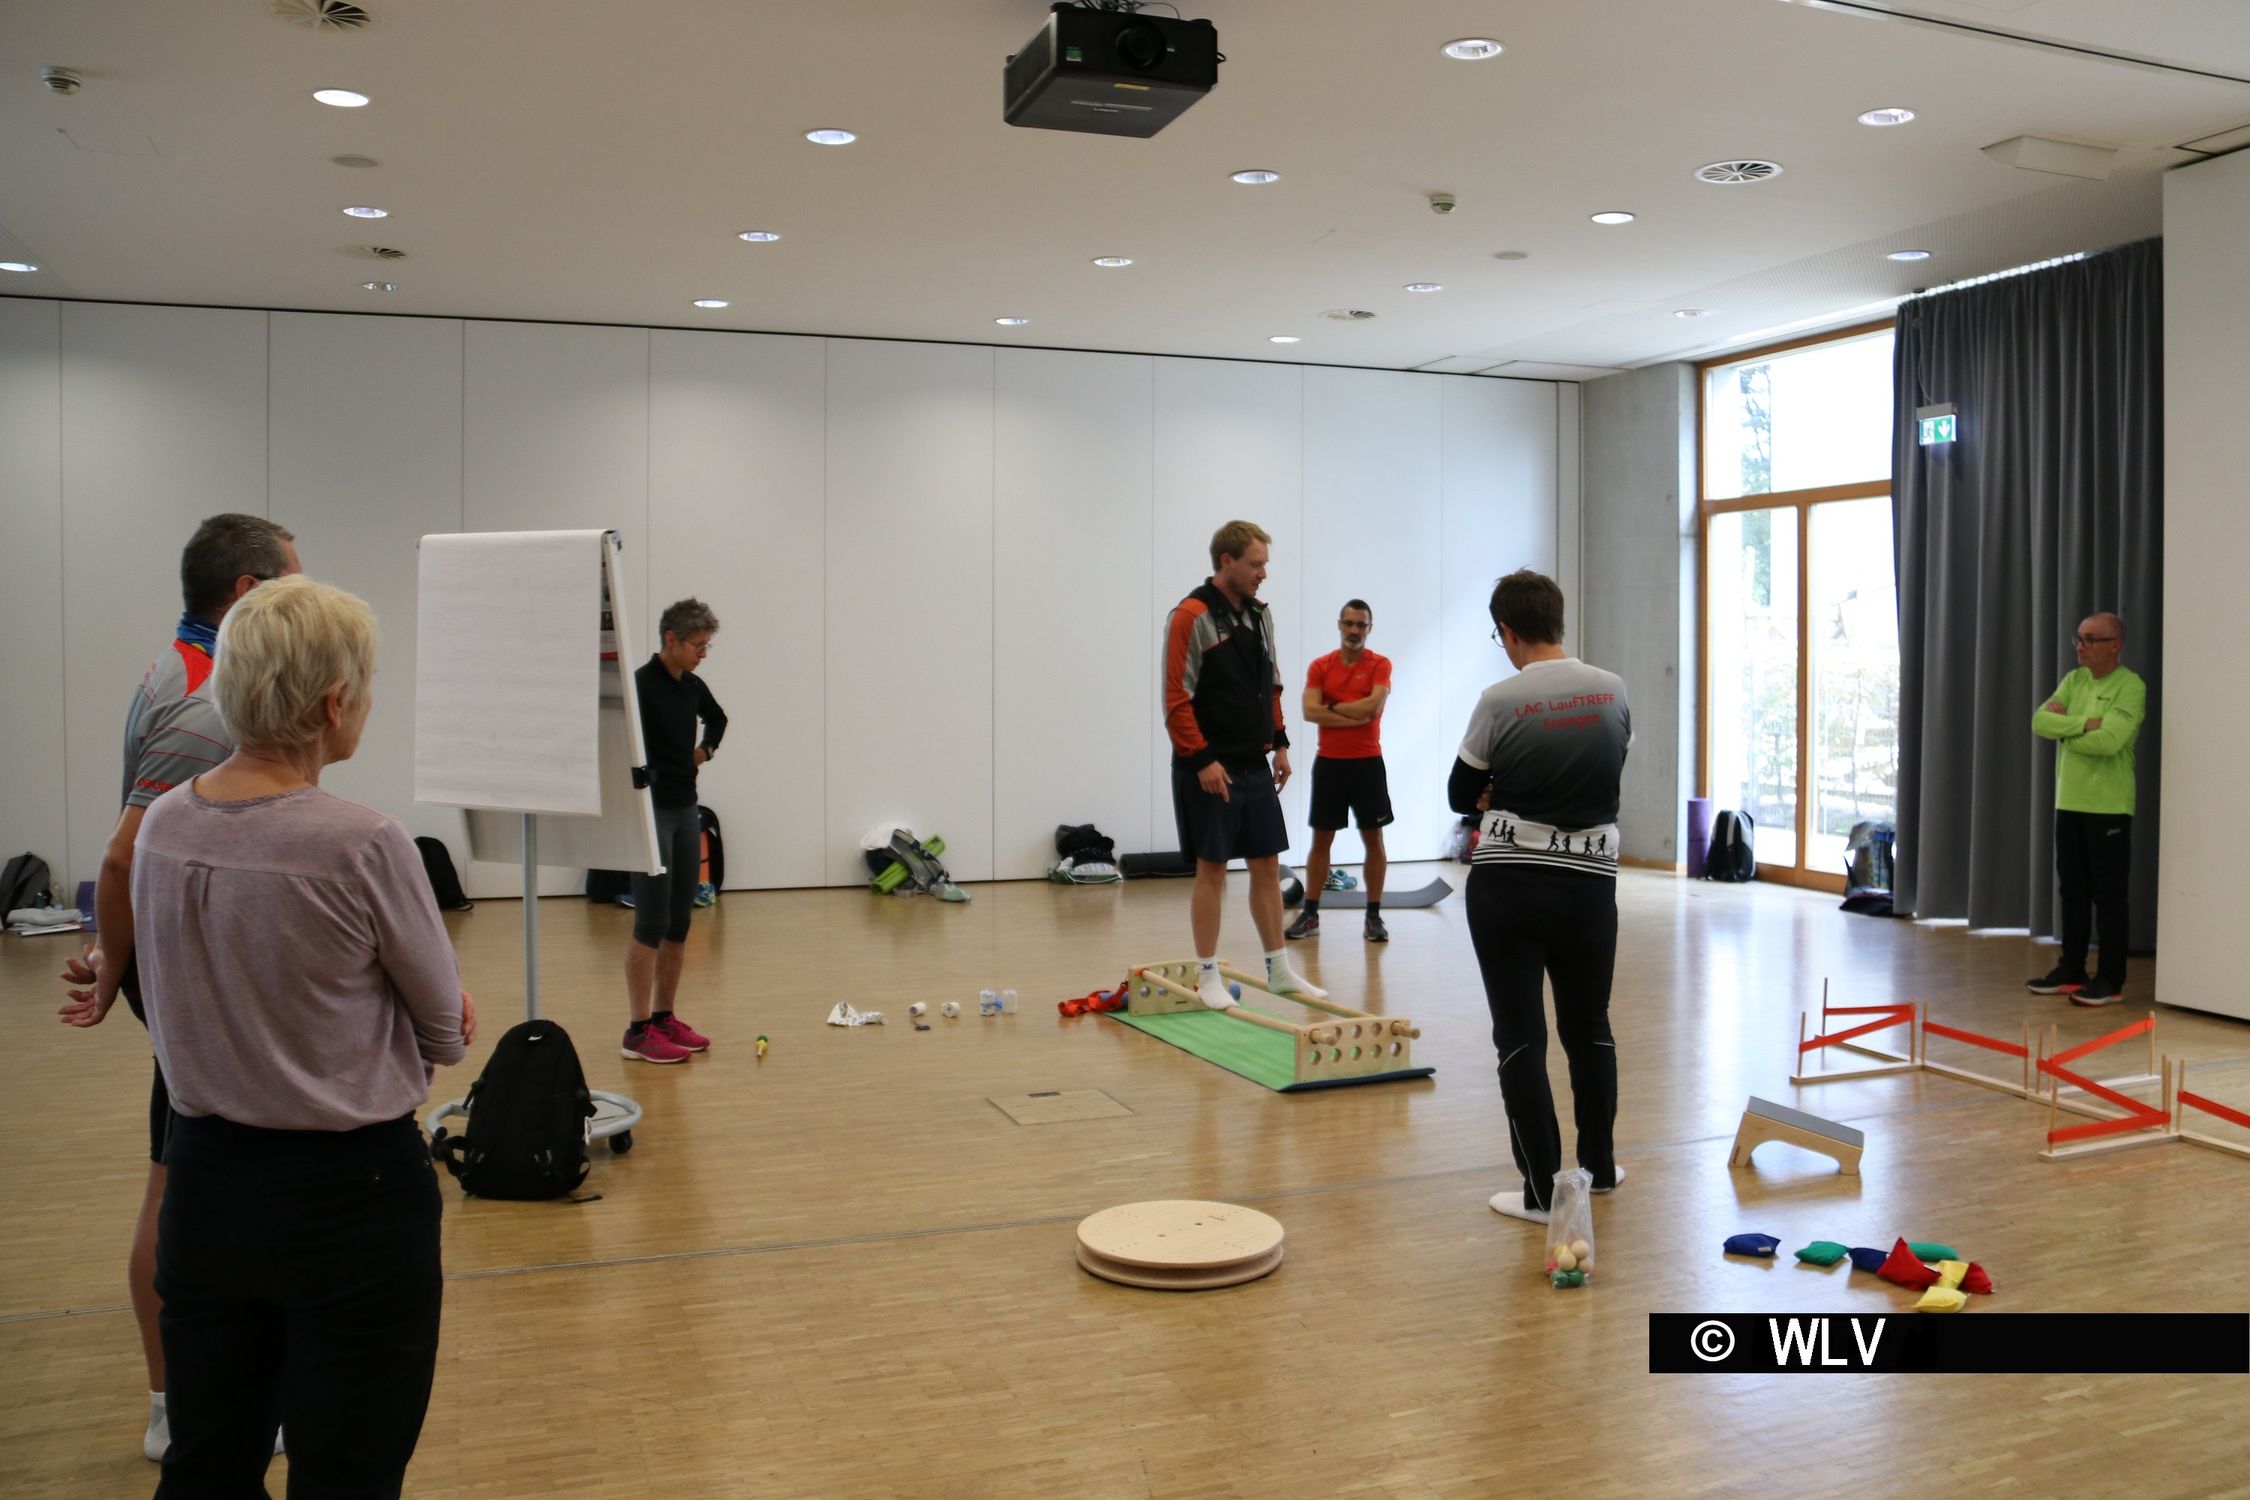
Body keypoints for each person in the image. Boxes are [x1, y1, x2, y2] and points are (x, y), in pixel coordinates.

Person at [110, 575, 473, 1495]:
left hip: (204, 1184)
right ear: (334, 702)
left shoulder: (161, 827)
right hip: (351, 1199)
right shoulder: (363, 842)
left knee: (208, 1462)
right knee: (348, 1471)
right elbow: (444, 1030)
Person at [56, 512, 301, 1464]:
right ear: (248, 591)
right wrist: (117, 964)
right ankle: (174, 1404)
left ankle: (204, 1392)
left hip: (186, 969)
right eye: (292, 579)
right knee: (180, 1180)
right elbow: (126, 854)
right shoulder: (204, 699)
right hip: (190, 978)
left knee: (197, 1175)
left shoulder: (183, 664)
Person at [1447, 570, 1631, 1225]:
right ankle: (1598, 1170)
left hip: (1509, 888)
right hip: (1591, 885)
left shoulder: (1500, 700)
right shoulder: (1613, 691)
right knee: (1590, 1028)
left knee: (1520, 1036)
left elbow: (1460, 795)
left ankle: (1541, 1193)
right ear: (1558, 620)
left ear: (1508, 631)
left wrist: (1499, 788)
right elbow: (1606, 770)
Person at [1163, 521, 1324, 1010]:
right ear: (1227, 561)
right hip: (1208, 767)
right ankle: (1208, 975)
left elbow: (1271, 684)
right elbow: (1176, 699)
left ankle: (1279, 970)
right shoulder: (1190, 616)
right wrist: (1202, 760)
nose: (1263, 574)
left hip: (1253, 764)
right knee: (1212, 870)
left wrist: (1280, 743)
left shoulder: (1259, 615)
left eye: (1265, 565)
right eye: (1256, 564)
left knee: (1266, 866)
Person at [622, 598, 728, 1063]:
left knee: (680, 920)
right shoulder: (639, 686)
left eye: (707, 646)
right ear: (671, 639)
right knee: (651, 923)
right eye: (698, 645)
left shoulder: (692, 685)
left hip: (686, 811)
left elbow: (718, 719)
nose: (703, 653)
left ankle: (664, 1016)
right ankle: (637, 1031)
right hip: (651, 814)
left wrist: (704, 752)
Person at [2028, 612, 2147, 1005]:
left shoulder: (2130, 686)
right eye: (2079, 638)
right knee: (2072, 891)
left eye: (2091, 639)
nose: (2081, 646)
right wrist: (2085, 724)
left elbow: (2110, 741)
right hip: (2070, 801)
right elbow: (2040, 721)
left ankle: (2110, 980)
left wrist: (2066, 732)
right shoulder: (2074, 680)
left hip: (2109, 806)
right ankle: (2072, 968)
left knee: (2109, 895)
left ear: (2115, 645)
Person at [1286, 598, 1394, 943]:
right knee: (1321, 841)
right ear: (1339, 624)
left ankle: (1373, 916)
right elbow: (1310, 711)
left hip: (1367, 764)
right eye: (1349, 623)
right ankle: (1311, 914)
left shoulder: (1379, 664)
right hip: (1330, 764)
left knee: (1373, 840)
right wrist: (1354, 714)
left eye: (1361, 624)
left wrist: (1331, 708)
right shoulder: (1321, 666)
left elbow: (1373, 707)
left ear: (1369, 628)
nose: (1354, 630)